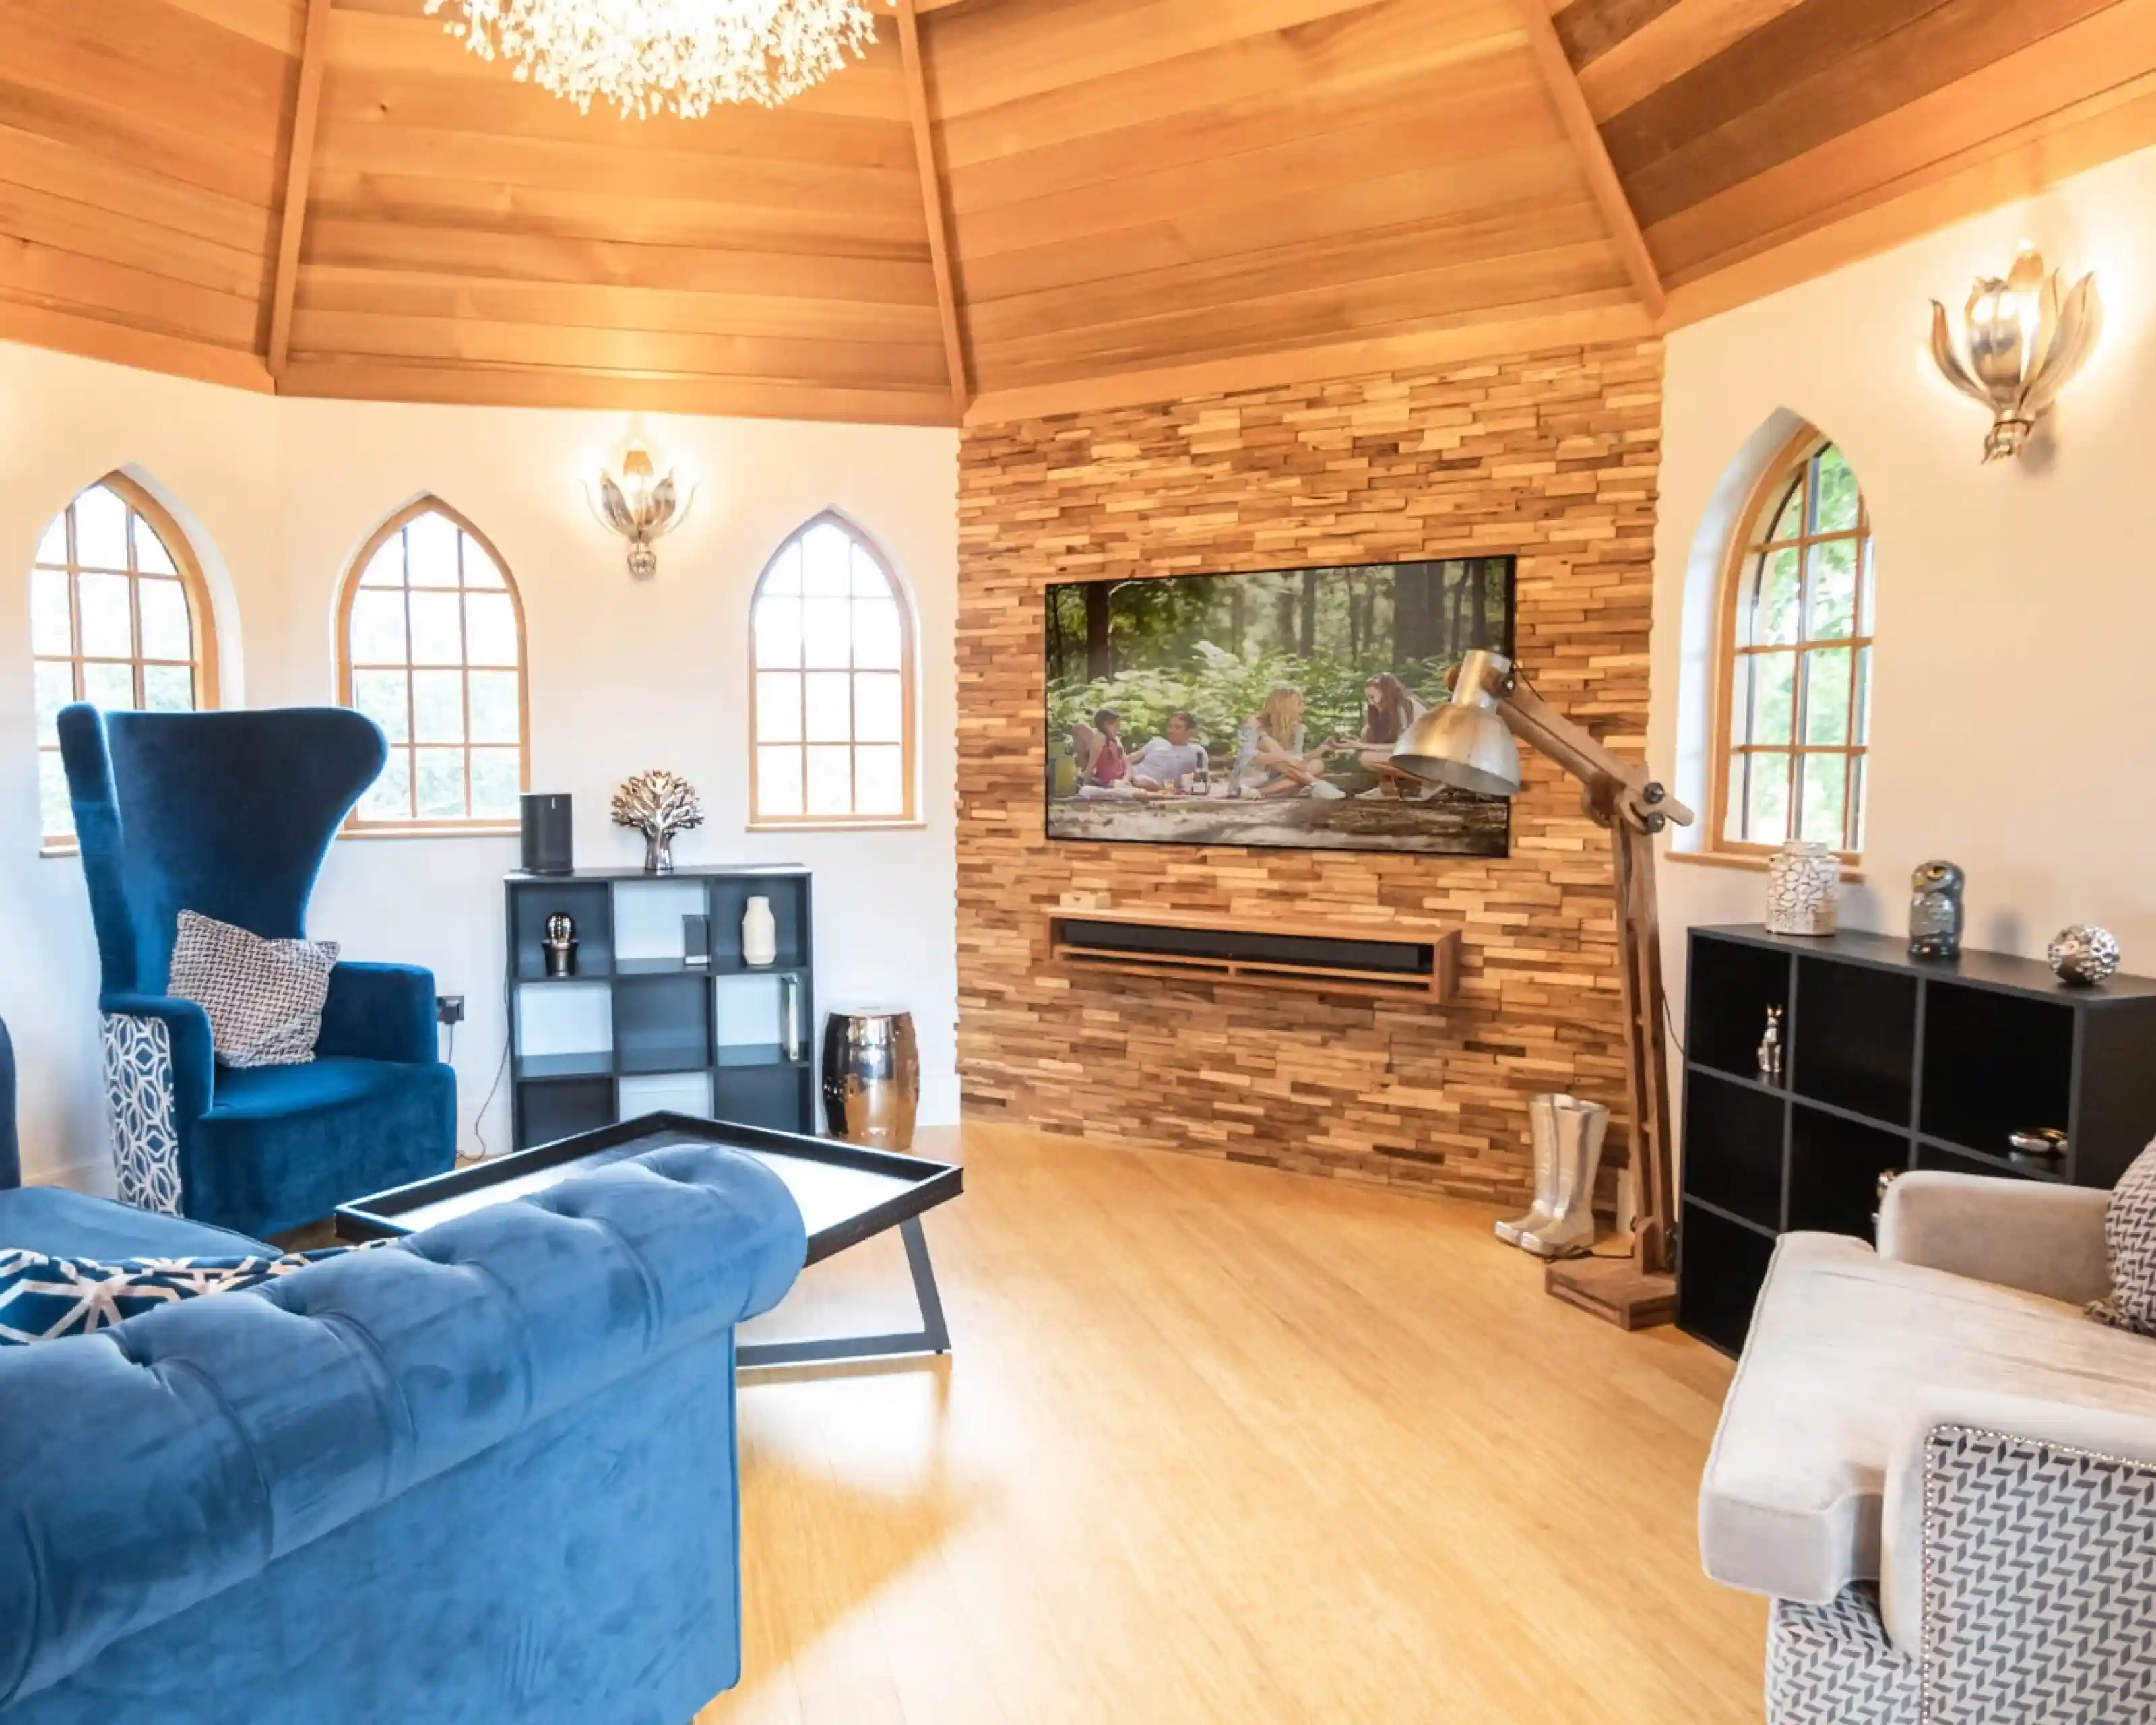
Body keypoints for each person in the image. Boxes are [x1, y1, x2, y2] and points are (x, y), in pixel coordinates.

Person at [1234, 686, 1342, 800]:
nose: (1303, 708)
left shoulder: (1296, 728)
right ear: (1286, 706)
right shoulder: (1254, 723)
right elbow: (1248, 756)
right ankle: (1318, 784)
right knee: (1267, 743)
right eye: (1299, 704)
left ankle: (1259, 793)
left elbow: (1297, 761)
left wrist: (1323, 748)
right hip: (1253, 777)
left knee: (1317, 764)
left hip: (1281, 778)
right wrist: (1285, 759)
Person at [1128, 711, 1207, 792]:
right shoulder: (1157, 742)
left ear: (1189, 732)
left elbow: (1205, 783)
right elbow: (1132, 758)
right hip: (1131, 775)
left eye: (1177, 727)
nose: (1171, 730)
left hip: (1156, 786)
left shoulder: (1196, 752)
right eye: (1170, 726)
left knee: (1148, 783)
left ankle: (1134, 782)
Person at [1083, 707, 1128, 788]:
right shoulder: (1100, 740)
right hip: (1107, 782)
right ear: (1105, 725)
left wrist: (1126, 780)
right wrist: (1084, 786)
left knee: (1148, 782)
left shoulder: (1117, 741)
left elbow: (1127, 765)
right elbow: (1091, 766)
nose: (1118, 728)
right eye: (1115, 725)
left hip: (1122, 779)